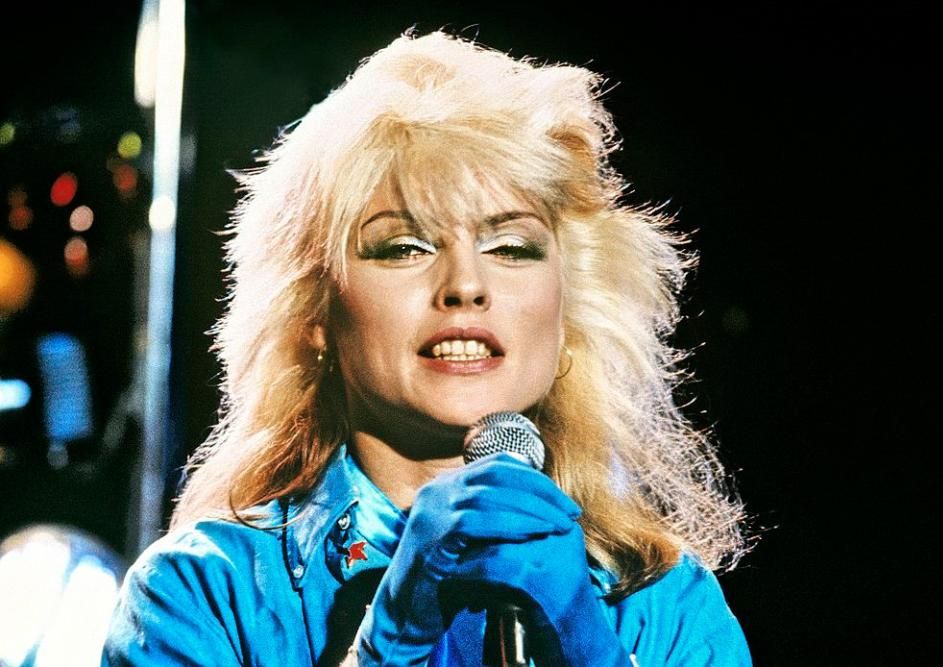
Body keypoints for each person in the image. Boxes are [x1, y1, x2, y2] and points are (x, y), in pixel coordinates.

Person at [103, 29, 752, 666]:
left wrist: (586, 644)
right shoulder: (200, 596)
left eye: (511, 247)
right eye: (404, 247)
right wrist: (388, 640)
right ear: (314, 313)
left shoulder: (668, 605)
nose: (466, 285)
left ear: (567, 312)